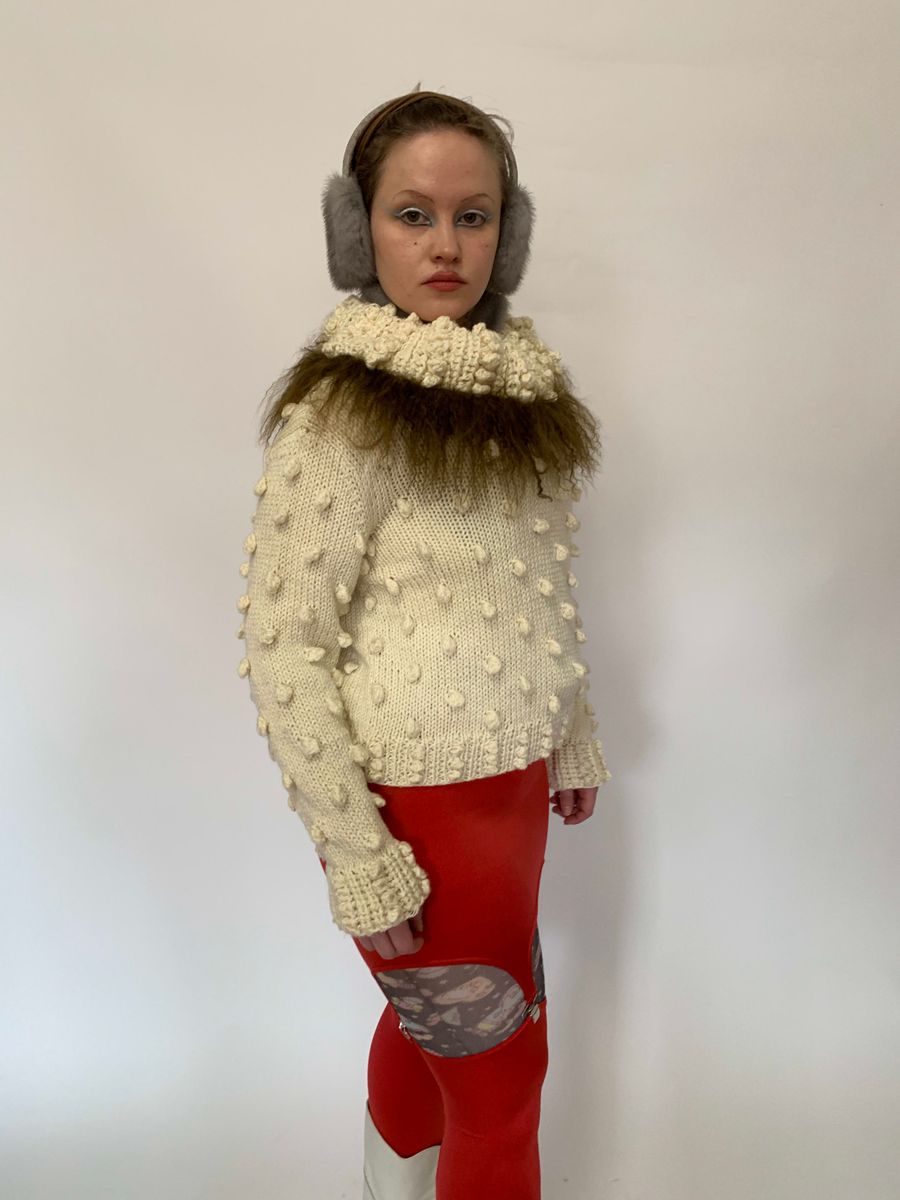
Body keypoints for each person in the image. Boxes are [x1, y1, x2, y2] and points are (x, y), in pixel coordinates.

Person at [235, 85, 611, 1200]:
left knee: (440, 1038)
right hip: (418, 810)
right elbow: (285, 645)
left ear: (509, 233)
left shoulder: (521, 392)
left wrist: (571, 730)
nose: (446, 244)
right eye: (413, 214)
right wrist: (358, 853)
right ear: (359, 234)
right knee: (503, 1084)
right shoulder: (341, 417)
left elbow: (534, 584)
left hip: (512, 793)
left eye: (473, 216)